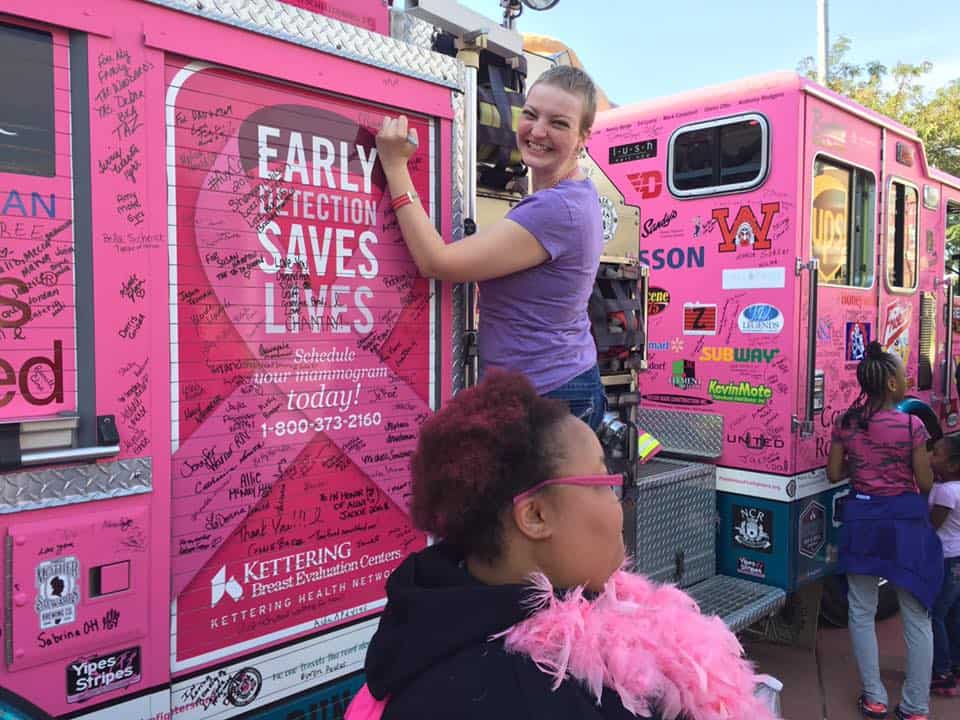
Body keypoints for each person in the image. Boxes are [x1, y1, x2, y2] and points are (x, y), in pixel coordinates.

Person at [346, 370, 777, 720]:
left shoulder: (432, 612)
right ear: (535, 516)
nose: (620, 501)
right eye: (606, 480)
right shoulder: (532, 696)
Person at [375, 66, 606, 429]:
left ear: (582, 137)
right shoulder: (576, 194)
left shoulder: (557, 209)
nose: (538, 131)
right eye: (530, 115)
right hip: (555, 383)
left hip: (547, 396)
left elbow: (437, 262)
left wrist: (394, 164)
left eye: (559, 123)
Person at [827, 342, 942, 720]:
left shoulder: (846, 422)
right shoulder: (913, 425)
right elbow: (924, 483)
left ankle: (874, 698)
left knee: (860, 611)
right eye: (903, 373)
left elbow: (833, 473)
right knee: (917, 614)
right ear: (892, 383)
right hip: (905, 526)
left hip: (862, 522)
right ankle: (914, 706)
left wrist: (862, 469)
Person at [928, 435, 960, 697]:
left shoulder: (946, 493)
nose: (929, 456)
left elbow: (932, 526)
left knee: (934, 615)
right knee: (953, 613)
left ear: (952, 466)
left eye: (936, 454)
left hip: (946, 558)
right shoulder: (954, 488)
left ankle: (941, 673)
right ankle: (954, 665)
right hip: (957, 557)